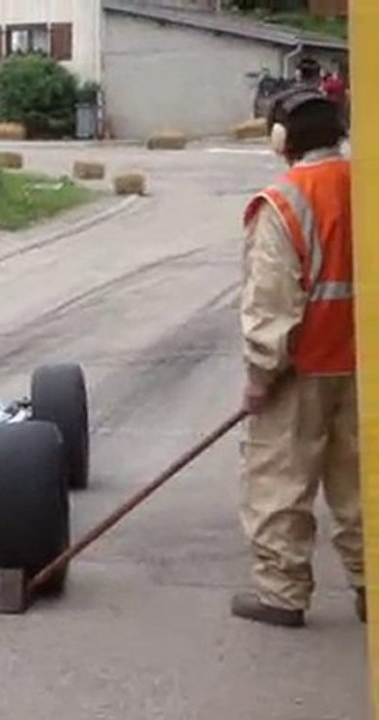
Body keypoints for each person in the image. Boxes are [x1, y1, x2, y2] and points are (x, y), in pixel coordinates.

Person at [233, 88, 361, 628]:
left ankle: (282, 595)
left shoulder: (284, 203)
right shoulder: (365, 185)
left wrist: (260, 376)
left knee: (279, 484)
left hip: (302, 370)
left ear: (281, 138)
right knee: (363, 485)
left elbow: (271, 302)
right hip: (363, 370)